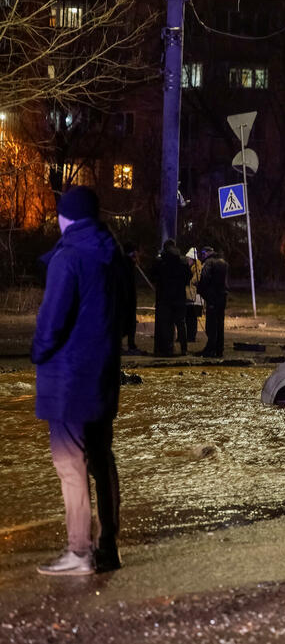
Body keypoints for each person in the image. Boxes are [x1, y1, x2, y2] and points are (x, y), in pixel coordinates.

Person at [32, 186, 127, 575]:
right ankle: (108, 547)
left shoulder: (67, 257)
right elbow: (125, 319)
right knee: (101, 458)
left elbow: (51, 322)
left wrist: (38, 351)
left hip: (69, 379)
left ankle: (79, 552)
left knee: (70, 463)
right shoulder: (113, 255)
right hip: (102, 374)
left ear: (65, 217)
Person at [151, 239, 190, 356]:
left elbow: (153, 275)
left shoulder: (160, 260)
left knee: (166, 323)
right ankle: (184, 349)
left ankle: (167, 349)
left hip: (164, 297)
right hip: (180, 296)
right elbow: (188, 277)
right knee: (181, 323)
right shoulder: (183, 260)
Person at [197, 246, 229, 357]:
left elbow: (204, 279)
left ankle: (210, 349)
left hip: (212, 297)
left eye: (203, 253)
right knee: (220, 323)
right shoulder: (223, 262)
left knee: (211, 324)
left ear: (207, 253)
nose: (202, 255)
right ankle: (219, 349)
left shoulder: (208, 263)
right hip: (222, 296)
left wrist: (201, 290)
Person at [120, 242, 140, 354]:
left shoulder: (120, 263)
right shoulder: (128, 264)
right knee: (128, 322)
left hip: (124, 298)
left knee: (124, 321)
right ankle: (130, 344)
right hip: (127, 298)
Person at [184, 247, 203, 343]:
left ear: (192, 259)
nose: (187, 261)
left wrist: (190, 282)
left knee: (192, 317)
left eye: (188, 259)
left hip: (194, 297)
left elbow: (196, 280)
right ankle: (189, 336)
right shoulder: (191, 267)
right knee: (189, 317)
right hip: (189, 296)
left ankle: (191, 336)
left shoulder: (197, 267)